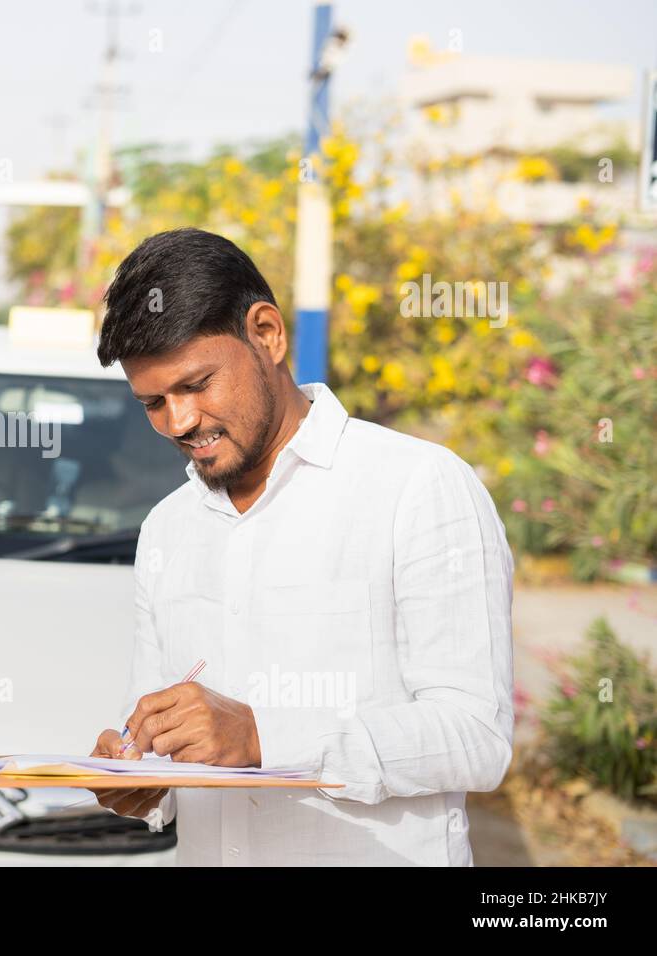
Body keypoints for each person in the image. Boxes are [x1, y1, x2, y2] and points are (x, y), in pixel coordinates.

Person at [86, 228, 514, 866]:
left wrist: (263, 736)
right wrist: (140, 777)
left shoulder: (417, 487)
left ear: (266, 334)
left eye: (197, 385)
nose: (179, 422)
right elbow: (152, 721)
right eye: (153, 402)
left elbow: (475, 735)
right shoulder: (168, 528)